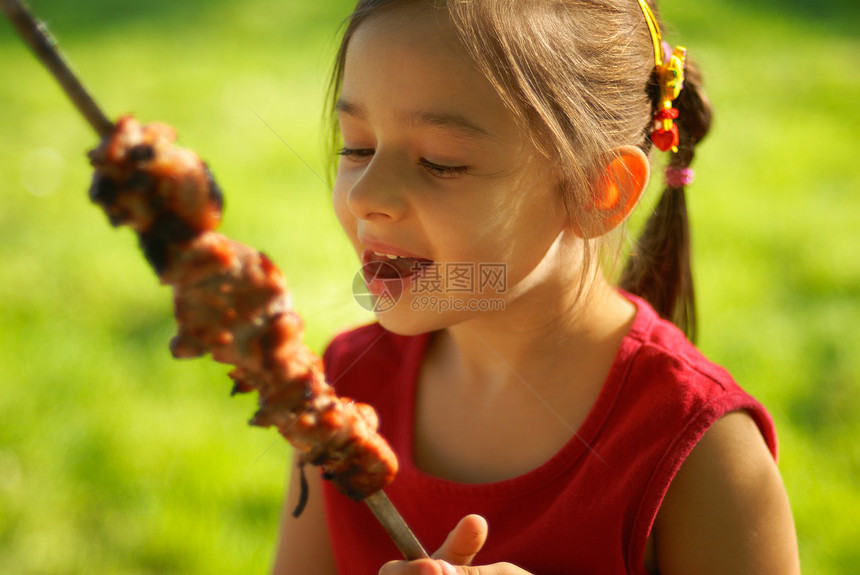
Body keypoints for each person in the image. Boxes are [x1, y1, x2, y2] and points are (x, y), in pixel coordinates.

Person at [271, 1, 801, 573]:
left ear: (600, 190)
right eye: (358, 147)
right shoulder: (344, 389)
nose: (364, 196)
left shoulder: (702, 454)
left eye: (440, 162)